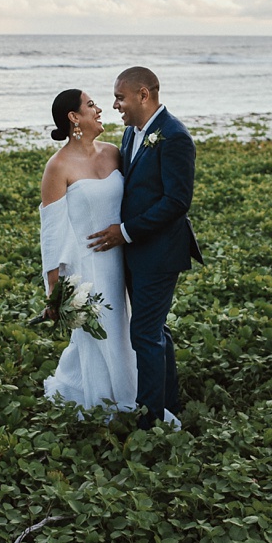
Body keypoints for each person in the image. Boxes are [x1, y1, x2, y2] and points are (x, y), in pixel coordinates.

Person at [89, 67, 202, 429]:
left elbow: (176, 201)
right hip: (137, 252)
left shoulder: (174, 136)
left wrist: (125, 232)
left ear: (143, 94)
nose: (115, 104)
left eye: (120, 97)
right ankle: (168, 404)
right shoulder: (131, 133)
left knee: (145, 334)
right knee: (156, 330)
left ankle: (150, 420)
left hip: (159, 252)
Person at [38, 88, 138, 412]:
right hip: (88, 267)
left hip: (123, 260)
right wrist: (54, 290)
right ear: (74, 117)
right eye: (91, 104)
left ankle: (133, 392)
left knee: (124, 333)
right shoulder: (58, 167)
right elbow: (51, 233)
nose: (100, 109)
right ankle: (107, 403)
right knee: (97, 336)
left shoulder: (114, 152)